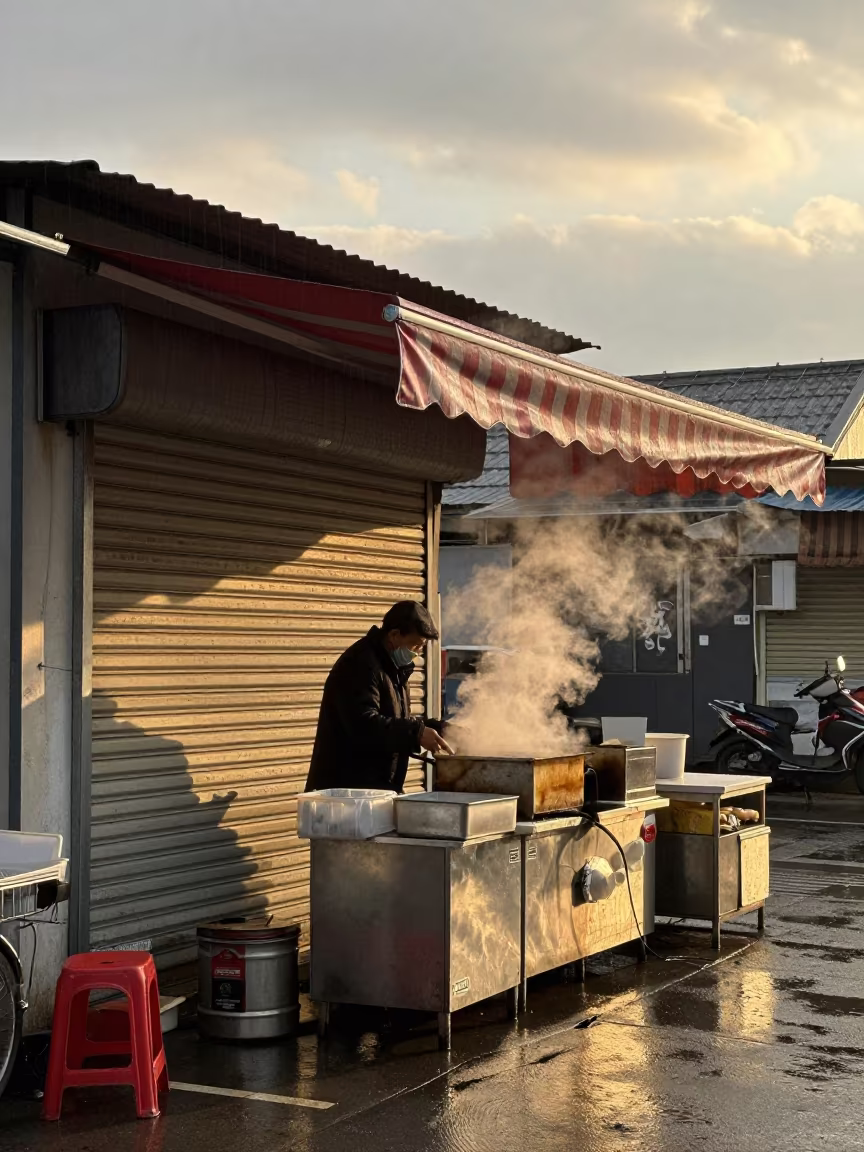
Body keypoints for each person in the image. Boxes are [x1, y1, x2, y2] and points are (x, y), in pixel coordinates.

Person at [305, 600, 453, 793]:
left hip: (373, 790)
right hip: (347, 794)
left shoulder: (393, 668)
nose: (417, 653)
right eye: (416, 645)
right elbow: (363, 725)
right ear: (394, 635)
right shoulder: (360, 664)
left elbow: (394, 721)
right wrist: (414, 734)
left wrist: (440, 729)